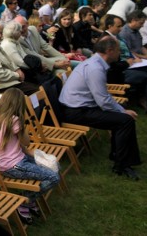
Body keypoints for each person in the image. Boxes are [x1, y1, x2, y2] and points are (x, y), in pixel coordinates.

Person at [60, 37, 141, 180]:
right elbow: (103, 101)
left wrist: (120, 109)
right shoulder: (95, 68)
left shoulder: (95, 63)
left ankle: (119, 157)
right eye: (118, 51)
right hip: (76, 112)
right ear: (109, 51)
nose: (120, 54)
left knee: (122, 117)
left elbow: (102, 97)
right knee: (125, 120)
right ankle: (121, 165)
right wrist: (122, 111)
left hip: (79, 107)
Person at [0, 88, 60, 222]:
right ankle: (26, 201)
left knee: (54, 165)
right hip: (13, 165)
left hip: (14, 160)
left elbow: (19, 144)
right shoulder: (14, 120)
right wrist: (22, 127)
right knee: (53, 176)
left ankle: (29, 200)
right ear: (19, 104)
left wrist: (28, 153)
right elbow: (26, 141)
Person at [0, 20, 39, 94]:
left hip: (10, 82)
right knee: (38, 91)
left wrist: (16, 69)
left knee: (39, 85)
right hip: (3, 87)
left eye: (1, 33)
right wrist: (17, 75)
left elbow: (9, 61)